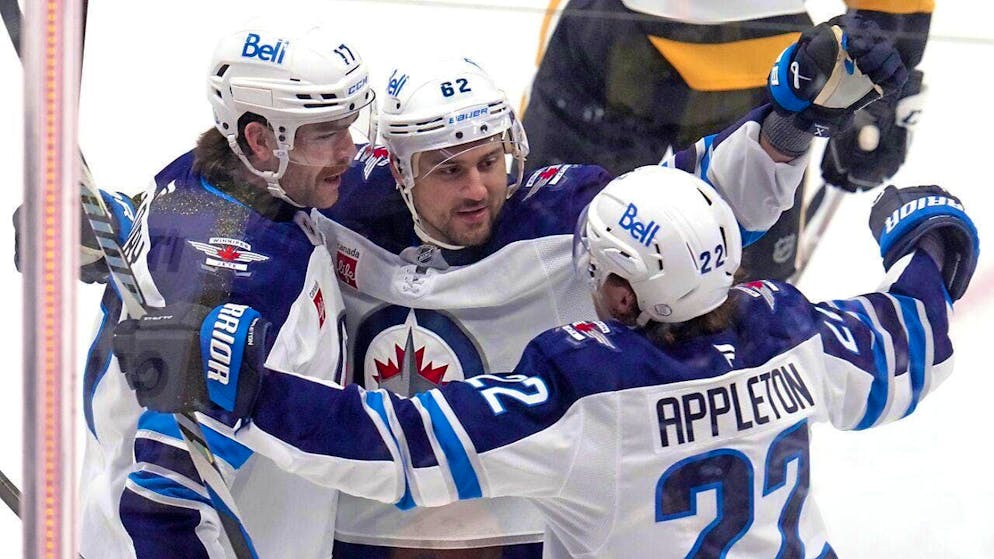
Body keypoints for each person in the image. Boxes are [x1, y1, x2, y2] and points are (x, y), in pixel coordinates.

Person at [73, 15, 905, 559]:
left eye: (489, 160)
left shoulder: (561, 215)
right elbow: (221, 208)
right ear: (395, 168)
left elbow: (698, 203)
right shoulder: (338, 203)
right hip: (358, 531)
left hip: (515, 532)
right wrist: (131, 233)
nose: (478, 188)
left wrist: (792, 121)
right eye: (447, 169)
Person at [114, 168, 979, 559]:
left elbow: (394, 444)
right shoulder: (789, 327)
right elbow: (908, 338)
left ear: (624, 297)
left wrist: (239, 388)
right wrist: (936, 244)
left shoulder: (589, 391)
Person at [74, 22, 375, 559]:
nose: (349, 152)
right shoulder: (261, 283)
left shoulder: (194, 177)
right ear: (259, 140)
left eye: (348, 126)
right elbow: (162, 500)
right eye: (325, 133)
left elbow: (171, 235)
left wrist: (108, 223)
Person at [522, 0, 932, 280]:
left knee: (547, 259)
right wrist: (891, 39)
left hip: (739, 54)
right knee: (543, 257)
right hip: (619, 43)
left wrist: (884, 61)